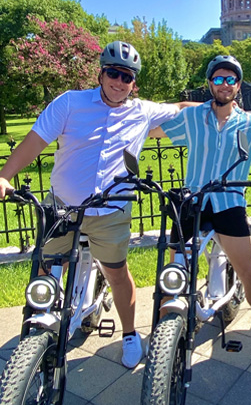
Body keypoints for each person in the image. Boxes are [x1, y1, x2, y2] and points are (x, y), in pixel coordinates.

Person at [0, 41, 195, 369]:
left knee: (117, 274)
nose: (118, 82)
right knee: (46, 268)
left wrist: (227, 108)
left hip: (110, 212)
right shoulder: (70, 104)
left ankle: (130, 333)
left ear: (134, 83)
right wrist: (4, 176)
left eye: (127, 77)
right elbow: (34, 141)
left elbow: (184, 109)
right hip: (63, 207)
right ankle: (40, 326)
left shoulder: (142, 112)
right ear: (101, 73)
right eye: (113, 73)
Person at [150, 55, 251, 365]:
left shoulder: (248, 123)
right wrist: (174, 107)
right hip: (193, 202)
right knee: (175, 268)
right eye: (218, 79)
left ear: (238, 85)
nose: (224, 84)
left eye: (231, 80)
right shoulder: (193, 118)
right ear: (209, 84)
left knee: (247, 270)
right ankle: (162, 337)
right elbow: (155, 130)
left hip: (229, 202)